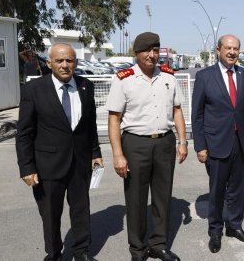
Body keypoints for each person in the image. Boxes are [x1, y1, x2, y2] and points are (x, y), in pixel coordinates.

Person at [16, 43, 103, 261]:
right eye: (59, 61)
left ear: (75, 62)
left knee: (81, 210)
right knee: (51, 215)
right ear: (49, 63)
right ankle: (53, 254)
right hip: (47, 165)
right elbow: (24, 133)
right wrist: (27, 167)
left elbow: (89, 125)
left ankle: (81, 251)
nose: (65, 65)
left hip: (79, 162)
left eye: (69, 60)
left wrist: (95, 152)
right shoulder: (33, 90)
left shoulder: (86, 86)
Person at [106, 32, 188, 261]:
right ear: (137, 53)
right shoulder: (124, 79)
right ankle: (138, 249)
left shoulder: (169, 77)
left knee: (163, 197)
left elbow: (177, 111)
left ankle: (158, 245)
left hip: (164, 142)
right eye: (147, 51)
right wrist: (118, 154)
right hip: (135, 143)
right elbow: (114, 119)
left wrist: (182, 141)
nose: (152, 55)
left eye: (155, 51)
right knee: (136, 199)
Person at [191, 34, 244, 254]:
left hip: (241, 143)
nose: (232, 52)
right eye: (228, 48)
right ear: (218, 50)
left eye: (236, 48)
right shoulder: (204, 76)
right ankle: (215, 230)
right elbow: (197, 114)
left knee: (238, 189)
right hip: (216, 143)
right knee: (217, 190)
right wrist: (200, 146)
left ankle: (235, 226)